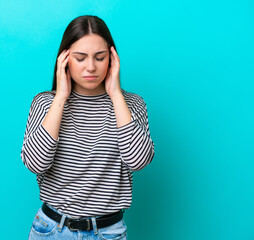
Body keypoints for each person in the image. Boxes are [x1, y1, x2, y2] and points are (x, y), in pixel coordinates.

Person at [20, 15, 155, 240]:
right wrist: (61, 96)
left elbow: (138, 161)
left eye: (100, 57)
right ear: (64, 59)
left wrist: (115, 94)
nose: (90, 67)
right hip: (51, 230)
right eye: (80, 58)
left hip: (108, 232)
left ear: (112, 59)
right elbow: (35, 163)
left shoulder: (132, 105)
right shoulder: (45, 103)